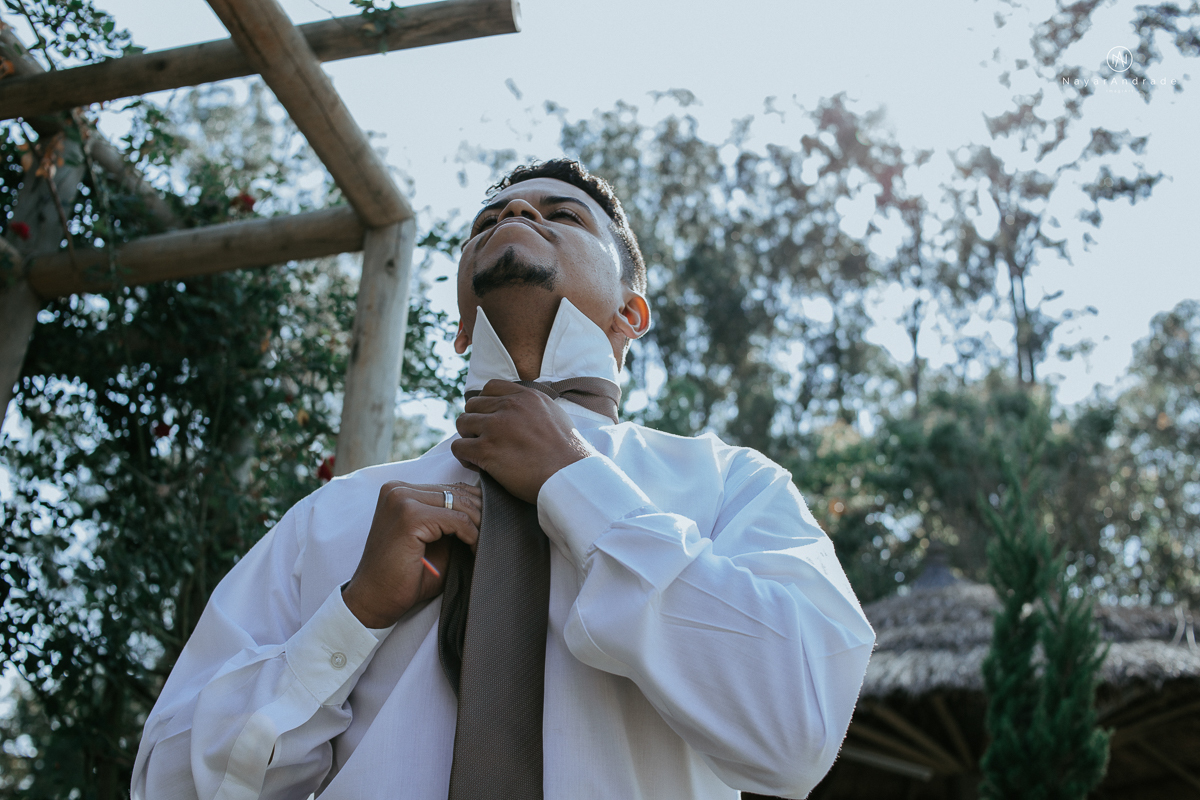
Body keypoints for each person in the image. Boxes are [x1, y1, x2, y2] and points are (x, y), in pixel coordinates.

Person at [131, 159, 875, 800]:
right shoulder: (332, 520)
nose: (517, 213)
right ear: (458, 326)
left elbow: (796, 733)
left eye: (563, 214)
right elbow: (171, 785)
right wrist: (352, 616)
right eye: (491, 217)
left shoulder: (733, 488)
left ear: (630, 313)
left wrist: (577, 485)